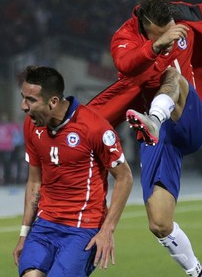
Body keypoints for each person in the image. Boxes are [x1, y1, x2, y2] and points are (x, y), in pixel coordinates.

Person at [87, 0, 202, 277]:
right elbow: (125, 63)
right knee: (158, 222)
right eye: (161, 36)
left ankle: (155, 118)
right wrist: (155, 47)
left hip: (189, 118)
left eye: (173, 34)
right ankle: (199, 271)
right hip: (160, 138)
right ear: (147, 28)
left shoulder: (183, 17)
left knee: (172, 74)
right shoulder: (126, 36)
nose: (171, 41)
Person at [12, 66, 133, 276]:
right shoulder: (32, 125)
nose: (24, 106)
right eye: (23, 98)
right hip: (45, 225)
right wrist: (24, 234)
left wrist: (107, 230)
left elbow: (125, 178)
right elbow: (34, 182)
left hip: (82, 228)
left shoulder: (94, 127)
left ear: (53, 102)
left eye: (31, 100)